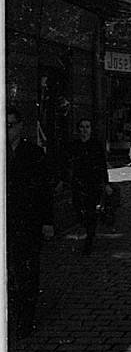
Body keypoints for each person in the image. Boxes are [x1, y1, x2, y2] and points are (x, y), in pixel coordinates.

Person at [7, 107, 56, 338]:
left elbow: (45, 191)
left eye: (10, 125)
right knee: (10, 273)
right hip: (6, 224)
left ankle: (26, 318)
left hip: (28, 224)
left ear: (20, 126)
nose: (5, 130)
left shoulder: (33, 153)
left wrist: (47, 222)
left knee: (27, 272)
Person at [65, 118, 113, 255]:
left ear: (91, 130)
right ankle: (87, 227)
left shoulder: (96, 145)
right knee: (78, 209)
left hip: (93, 184)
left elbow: (102, 166)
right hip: (78, 184)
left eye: (87, 127)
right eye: (82, 127)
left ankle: (89, 240)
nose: (84, 130)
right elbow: (68, 164)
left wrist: (106, 183)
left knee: (91, 212)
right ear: (78, 129)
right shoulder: (74, 145)